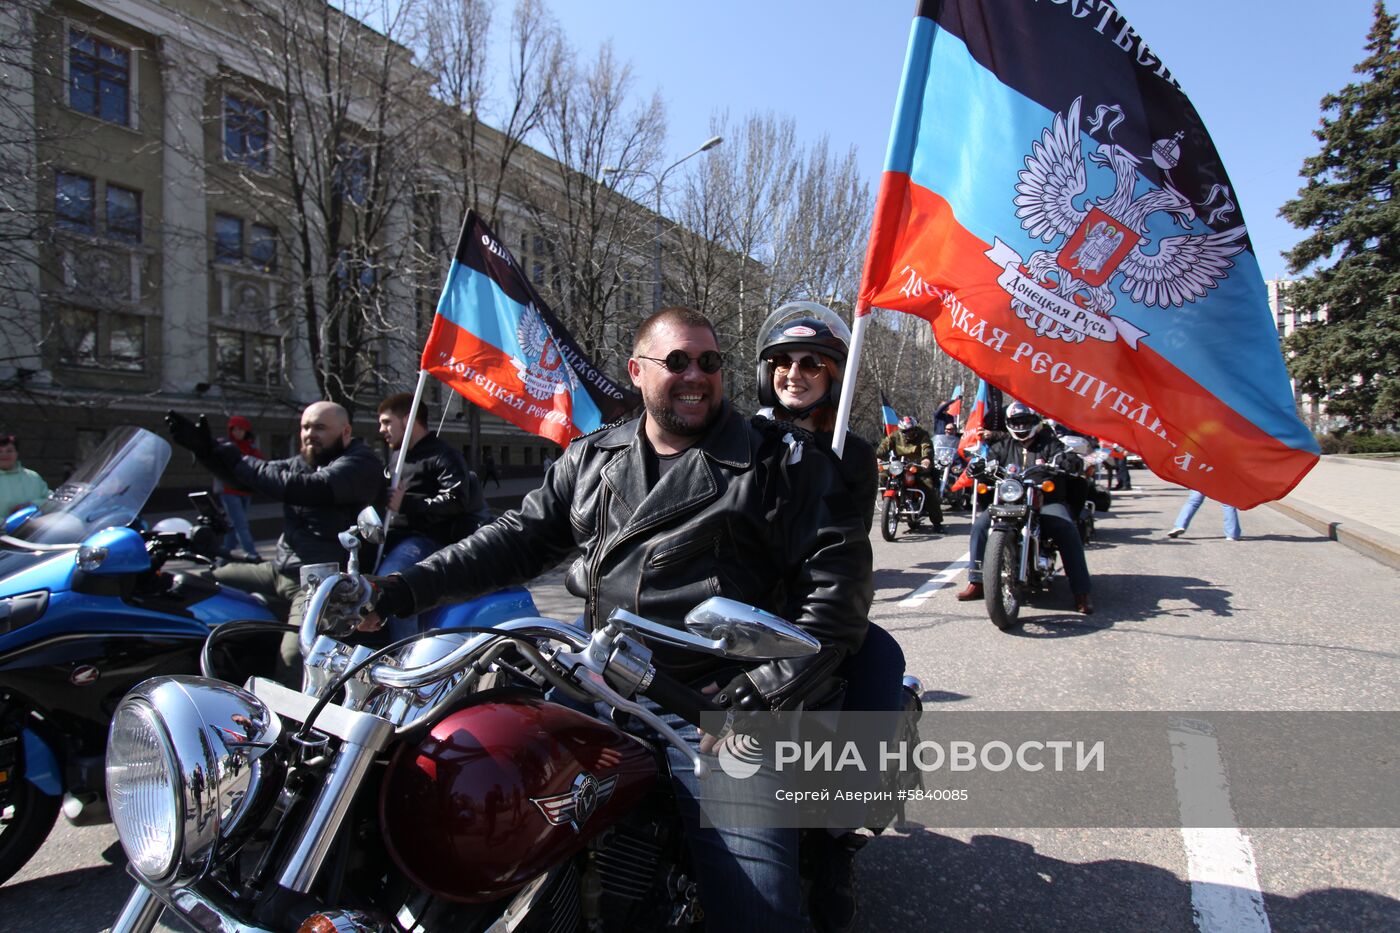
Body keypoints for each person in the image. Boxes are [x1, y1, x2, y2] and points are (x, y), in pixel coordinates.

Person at [361, 306, 873, 928]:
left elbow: (836, 599)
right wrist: (397, 590)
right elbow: (516, 539)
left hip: (708, 708)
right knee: (456, 783)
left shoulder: (783, 464)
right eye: (677, 361)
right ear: (637, 371)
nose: (696, 376)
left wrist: (758, 693)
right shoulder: (593, 459)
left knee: (756, 911)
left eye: (709, 363)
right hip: (597, 681)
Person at [754, 301, 904, 932]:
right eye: (782, 362)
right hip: (738, 603)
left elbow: (842, 548)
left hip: (815, 609)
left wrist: (819, 461)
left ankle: (838, 834)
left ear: (834, 373)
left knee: (882, 658)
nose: (795, 373)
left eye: (811, 362)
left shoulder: (854, 453)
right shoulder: (738, 436)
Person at [165, 402, 384, 642]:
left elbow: (308, 488)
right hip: (280, 569)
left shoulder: (361, 463)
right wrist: (206, 451)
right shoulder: (300, 463)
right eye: (305, 427)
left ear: (346, 432)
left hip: (322, 579)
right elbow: (246, 480)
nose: (310, 434)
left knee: (294, 656)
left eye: (320, 428)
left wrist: (237, 459)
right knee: (197, 585)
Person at [955, 402, 1094, 614]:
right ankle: (977, 582)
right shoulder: (1002, 446)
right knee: (980, 526)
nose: (1020, 426)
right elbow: (987, 461)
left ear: (1034, 422)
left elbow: (1067, 457)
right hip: (1009, 500)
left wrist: (1068, 460)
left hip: (1045, 500)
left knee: (1066, 528)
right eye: (1016, 422)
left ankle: (1081, 591)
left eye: (1025, 422)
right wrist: (978, 466)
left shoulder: (1049, 443)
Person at [375, 392, 492, 641]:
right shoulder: (398, 455)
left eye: (387, 422)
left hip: (425, 539)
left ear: (408, 420)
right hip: (395, 537)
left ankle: (404, 659)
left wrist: (408, 503)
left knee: (392, 584)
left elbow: (456, 499)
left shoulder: (443, 455)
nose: (381, 429)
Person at [873, 415, 944, 532]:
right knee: (882, 476)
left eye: (910, 430)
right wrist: (878, 457)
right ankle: (889, 504)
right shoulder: (895, 436)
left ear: (915, 429)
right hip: (898, 466)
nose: (907, 433)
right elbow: (884, 445)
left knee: (928, 487)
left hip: (917, 467)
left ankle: (937, 523)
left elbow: (927, 447)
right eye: (905, 431)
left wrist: (926, 459)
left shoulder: (923, 435)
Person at [216, 415, 263, 562]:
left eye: (240, 429)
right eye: (234, 429)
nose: (237, 432)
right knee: (241, 524)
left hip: (245, 490)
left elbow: (260, 463)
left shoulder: (250, 447)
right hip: (230, 491)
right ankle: (252, 555)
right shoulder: (226, 446)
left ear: (246, 431)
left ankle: (223, 560)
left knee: (233, 527)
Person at [0, 433, 50, 519]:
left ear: (17, 453)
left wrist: (32, 505)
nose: (4, 455)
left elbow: (52, 502)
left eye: (9, 451)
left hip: (32, 530)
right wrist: (6, 524)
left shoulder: (33, 477)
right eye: (0, 451)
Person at [1167, 490, 1242, 541]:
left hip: (1204, 473)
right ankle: (1232, 534)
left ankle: (1180, 525)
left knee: (1193, 502)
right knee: (1228, 504)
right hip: (1223, 475)